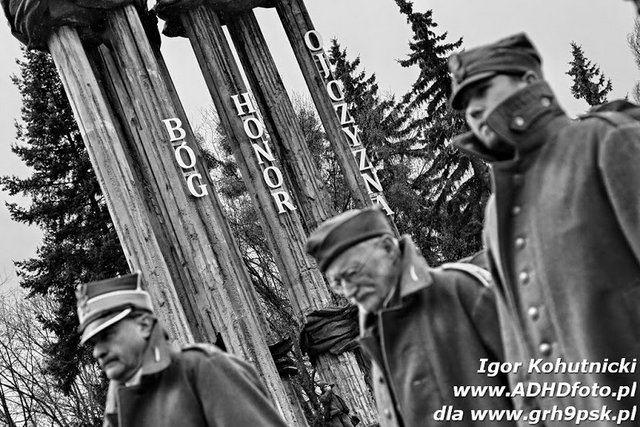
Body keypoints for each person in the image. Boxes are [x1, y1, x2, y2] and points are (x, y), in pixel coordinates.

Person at [448, 33, 640, 423]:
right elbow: (520, 354)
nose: (475, 110)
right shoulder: (495, 214)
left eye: (483, 90)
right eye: (465, 106)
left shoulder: (606, 140)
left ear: (530, 81)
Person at [306, 208, 514, 427]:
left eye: (352, 274)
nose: (349, 291)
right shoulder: (376, 330)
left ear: (388, 249)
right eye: (338, 284)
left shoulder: (460, 289)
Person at [75, 272, 288, 427]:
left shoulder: (202, 368)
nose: (98, 352)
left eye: (108, 335)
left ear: (144, 325)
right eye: (94, 342)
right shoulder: (120, 398)